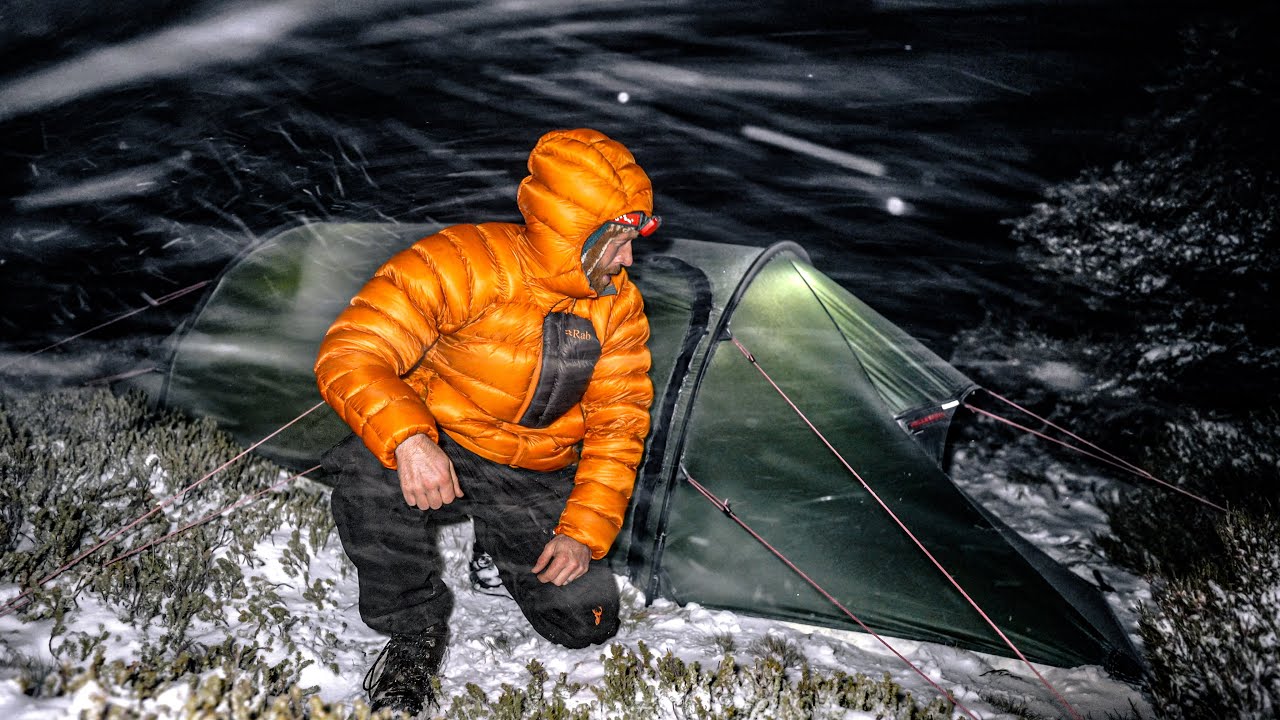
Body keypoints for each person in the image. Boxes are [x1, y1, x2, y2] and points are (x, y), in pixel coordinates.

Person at [314, 128, 658, 716]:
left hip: (534, 469)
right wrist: (411, 440)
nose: (628, 259)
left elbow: (618, 426)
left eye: (631, 242)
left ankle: (497, 544)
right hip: (446, 440)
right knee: (370, 478)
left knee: (587, 622)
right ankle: (412, 631)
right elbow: (351, 351)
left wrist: (581, 533)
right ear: (575, 234)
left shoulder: (618, 308)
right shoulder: (463, 263)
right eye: (617, 242)